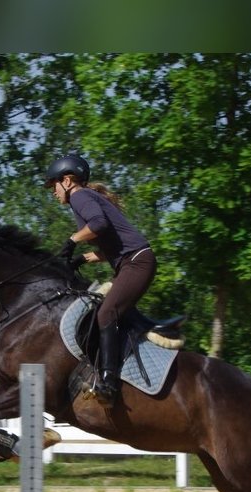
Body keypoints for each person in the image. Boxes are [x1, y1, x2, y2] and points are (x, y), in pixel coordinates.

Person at [45, 153, 157, 408]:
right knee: (106, 312)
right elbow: (110, 247)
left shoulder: (79, 196)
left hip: (136, 262)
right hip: (131, 261)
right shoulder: (82, 199)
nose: (53, 192)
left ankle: (109, 383)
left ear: (68, 180)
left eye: (53, 185)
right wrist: (81, 260)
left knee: (106, 313)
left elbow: (99, 224)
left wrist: (72, 240)